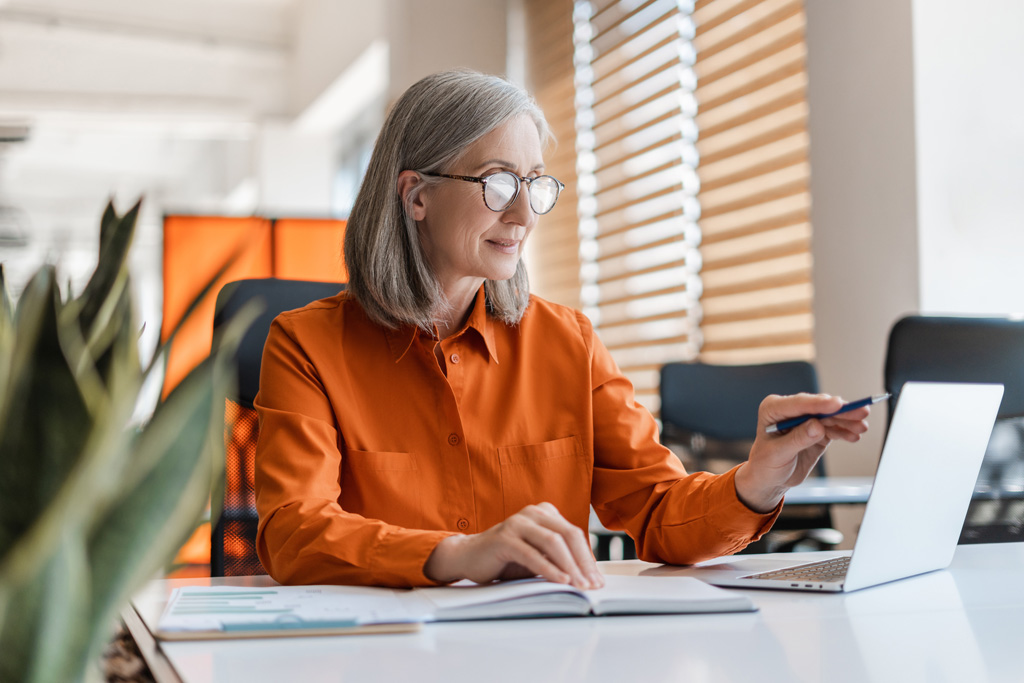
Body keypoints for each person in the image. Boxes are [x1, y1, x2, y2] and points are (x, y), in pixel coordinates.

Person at [253, 70, 870, 589]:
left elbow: (658, 512)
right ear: (416, 195)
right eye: (497, 183)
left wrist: (756, 481)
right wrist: (454, 554)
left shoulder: (567, 343)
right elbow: (292, 530)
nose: (523, 214)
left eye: (534, 184)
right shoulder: (306, 345)